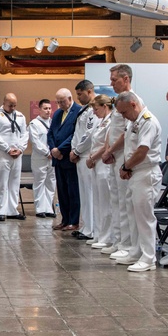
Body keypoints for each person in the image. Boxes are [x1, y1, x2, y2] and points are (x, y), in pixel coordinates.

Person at [113, 91, 163, 272]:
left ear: (133, 105)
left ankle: (149, 258)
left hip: (145, 172)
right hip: (135, 173)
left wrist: (126, 167)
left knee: (145, 217)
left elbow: (142, 151)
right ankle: (136, 251)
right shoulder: (135, 122)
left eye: (125, 112)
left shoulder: (148, 122)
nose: (123, 116)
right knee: (133, 216)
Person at [100, 65, 135, 257]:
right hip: (114, 155)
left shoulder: (132, 101)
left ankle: (127, 244)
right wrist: (107, 149)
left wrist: (111, 150)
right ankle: (118, 239)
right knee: (115, 200)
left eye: (114, 80)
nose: (111, 83)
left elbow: (126, 133)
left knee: (124, 202)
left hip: (123, 155)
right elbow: (112, 130)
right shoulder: (118, 103)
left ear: (126, 79)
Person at [0, 93, 28, 221]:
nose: (13, 108)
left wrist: (20, 149)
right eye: (10, 105)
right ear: (4, 102)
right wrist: (7, 149)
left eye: (15, 105)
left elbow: (25, 134)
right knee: (3, 182)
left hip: (17, 154)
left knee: (15, 182)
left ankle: (12, 210)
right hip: (2, 154)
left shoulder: (20, 116)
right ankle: (1, 211)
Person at [46, 88, 81, 230]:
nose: (60, 104)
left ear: (70, 99)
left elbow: (75, 135)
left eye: (62, 102)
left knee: (72, 191)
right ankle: (65, 219)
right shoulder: (58, 113)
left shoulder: (78, 111)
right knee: (61, 191)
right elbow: (51, 133)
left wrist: (60, 150)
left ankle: (74, 221)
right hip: (57, 159)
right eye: (58, 102)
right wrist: (54, 149)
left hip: (69, 157)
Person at [85, 94, 116, 249]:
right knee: (97, 201)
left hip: (103, 164)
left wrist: (93, 158)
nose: (95, 113)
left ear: (105, 107)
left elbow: (106, 146)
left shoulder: (112, 121)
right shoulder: (101, 122)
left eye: (96, 109)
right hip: (96, 164)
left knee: (106, 203)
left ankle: (107, 236)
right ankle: (99, 234)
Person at [70, 80, 97, 239]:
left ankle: (91, 229)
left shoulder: (94, 109)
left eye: (80, 94)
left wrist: (77, 150)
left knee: (90, 194)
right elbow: (78, 132)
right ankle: (85, 226)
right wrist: (74, 150)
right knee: (84, 194)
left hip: (87, 154)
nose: (78, 98)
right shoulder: (85, 109)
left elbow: (89, 134)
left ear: (89, 91)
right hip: (79, 154)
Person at [29, 98, 56, 217]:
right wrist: (47, 153)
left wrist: (54, 152)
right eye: (45, 108)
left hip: (53, 157)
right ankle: (40, 209)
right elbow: (35, 142)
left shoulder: (53, 123)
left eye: (50, 108)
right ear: (39, 109)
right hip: (40, 157)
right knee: (40, 183)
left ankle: (49, 208)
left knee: (51, 183)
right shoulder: (34, 124)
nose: (48, 111)